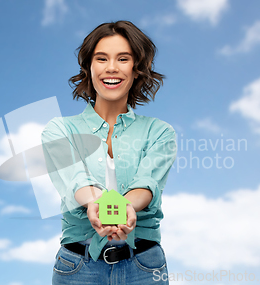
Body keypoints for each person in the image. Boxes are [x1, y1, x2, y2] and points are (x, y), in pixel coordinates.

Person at [41, 20, 177, 285]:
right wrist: (95, 203)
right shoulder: (59, 130)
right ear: (89, 68)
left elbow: (147, 185)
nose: (111, 68)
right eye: (101, 58)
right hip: (78, 267)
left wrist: (126, 207)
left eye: (123, 58)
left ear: (137, 69)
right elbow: (74, 179)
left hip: (144, 267)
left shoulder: (160, 132)